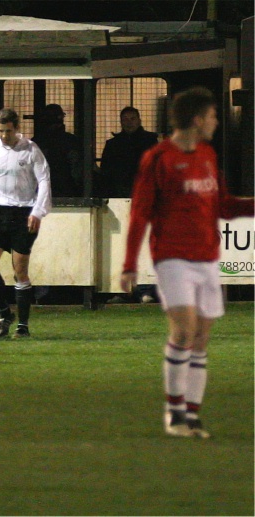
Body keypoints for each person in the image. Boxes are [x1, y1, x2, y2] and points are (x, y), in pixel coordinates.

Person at [120, 87, 254, 439]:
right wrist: (129, 263)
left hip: (208, 258)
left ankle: (191, 417)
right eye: (212, 117)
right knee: (183, 330)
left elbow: (223, 206)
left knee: (201, 339)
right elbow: (139, 213)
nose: (215, 123)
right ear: (197, 119)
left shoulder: (207, 155)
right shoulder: (159, 158)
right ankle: (174, 413)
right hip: (172, 256)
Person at [0, 108, 52, 339]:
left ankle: (22, 326)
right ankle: (5, 313)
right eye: (0, 131)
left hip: (24, 213)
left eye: (8, 131)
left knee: (20, 270)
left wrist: (37, 211)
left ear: (17, 129)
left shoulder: (30, 150)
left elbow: (44, 180)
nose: (4, 135)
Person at [103, 106, 161, 304]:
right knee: (120, 246)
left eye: (132, 118)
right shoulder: (113, 144)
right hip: (119, 202)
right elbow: (106, 174)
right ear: (121, 121)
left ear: (139, 119)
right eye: (125, 118)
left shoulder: (150, 141)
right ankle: (121, 290)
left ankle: (145, 289)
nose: (129, 122)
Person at [31, 104, 81, 197]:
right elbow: (77, 171)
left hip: (40, 193)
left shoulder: (35, 142)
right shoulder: (70, 141)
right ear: (61, 118)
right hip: (66, 192)